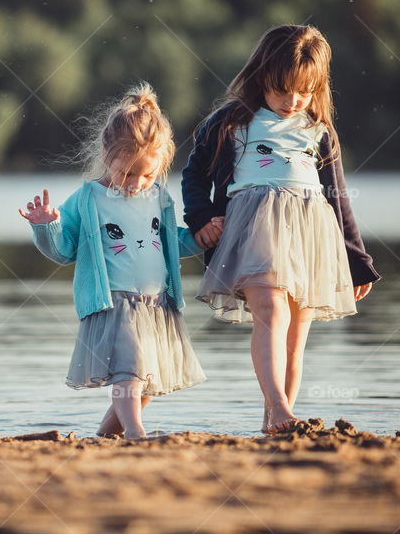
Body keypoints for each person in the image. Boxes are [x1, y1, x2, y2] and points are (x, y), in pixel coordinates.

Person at [181, 24, 381, 434]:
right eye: (282, 90)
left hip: (311, 234)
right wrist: (200, 218)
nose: (293, 101)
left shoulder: (319, 130)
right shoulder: (230, 122)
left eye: (304, 91)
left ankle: (276, 419)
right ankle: (278, 407)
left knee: (296, 332)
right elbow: (194, 174)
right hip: (253, 227)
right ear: (261, 78)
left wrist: (357, 260)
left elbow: (338, 198)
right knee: (271, 311)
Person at [19, 82, 221, 439]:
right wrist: (46, 226)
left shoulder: (158, 197)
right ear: (106, 153)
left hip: (157, 304)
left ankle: (105, 435)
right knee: (129, 371)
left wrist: (202, 236)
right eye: (128, 172)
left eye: (148, 174)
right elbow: (63, 251)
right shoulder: (88, 199)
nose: (137, 183)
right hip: (114, 303)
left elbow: (169, 241)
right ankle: (135, 431)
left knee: (147, 379)